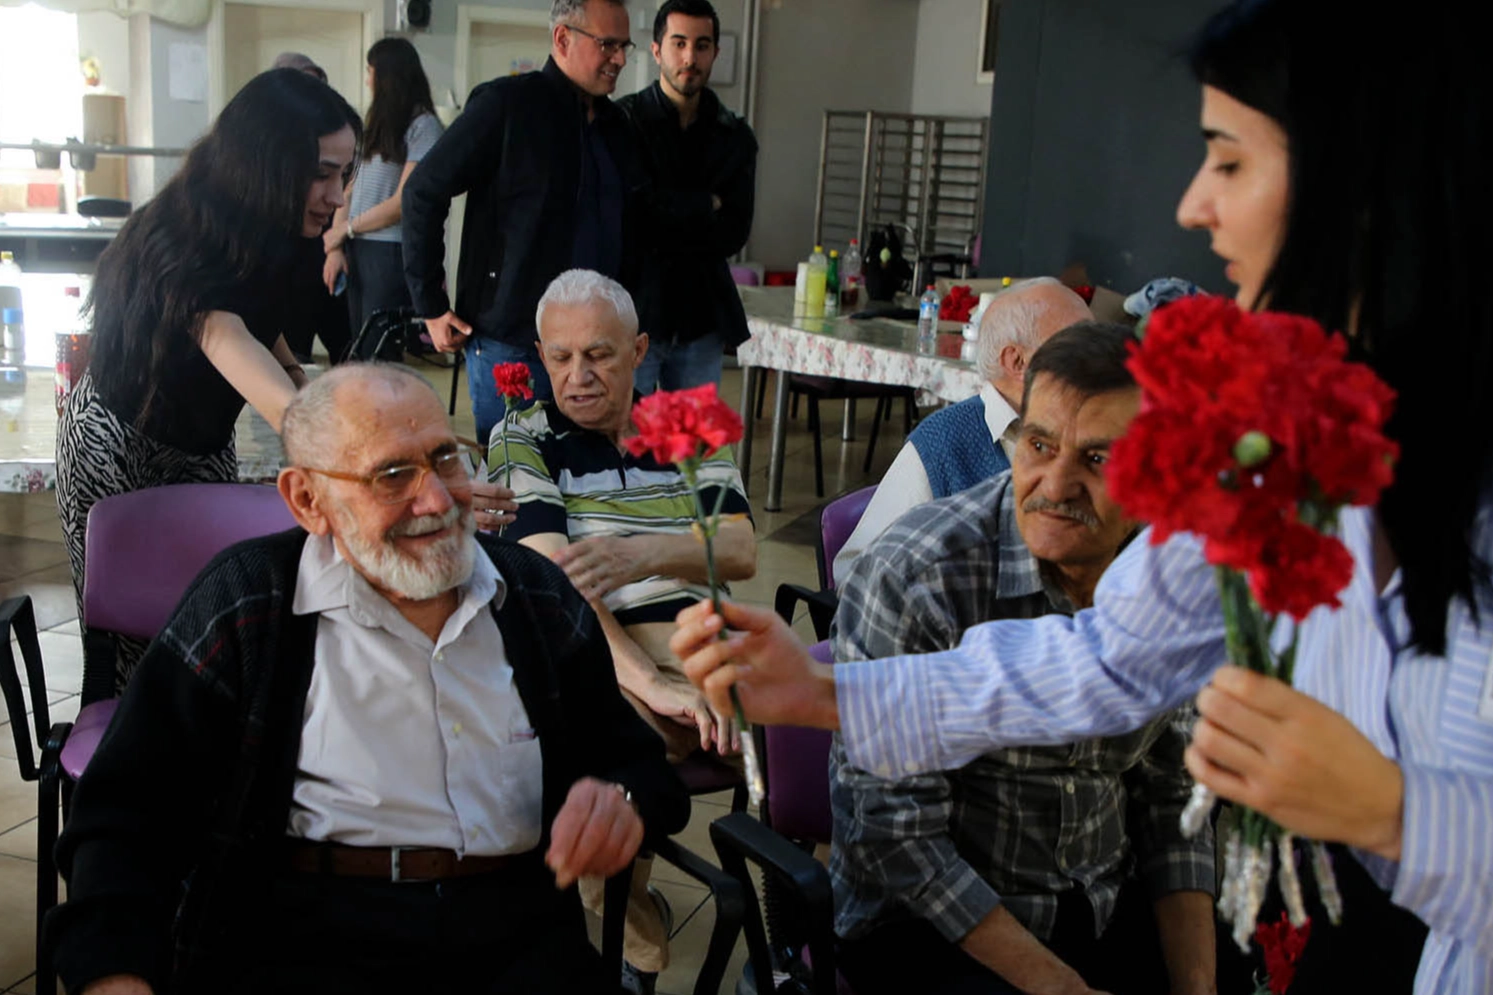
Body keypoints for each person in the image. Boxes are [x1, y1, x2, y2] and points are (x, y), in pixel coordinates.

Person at [671, 2, 1482, 991]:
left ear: (1360, 184)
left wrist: (1394, 815)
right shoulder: (1285, 446)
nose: (1192, 206)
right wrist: (824, 692)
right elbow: (1102, 659)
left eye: (1228, 161)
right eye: (1038, 443)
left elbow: (1158, 773)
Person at [44, 363, 690, 995]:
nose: (436, 500)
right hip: (297, 936)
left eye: (444, 458)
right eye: (392, 475)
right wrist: (113, 971)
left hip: (514, 934)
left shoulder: (533, 596)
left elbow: (636, 765)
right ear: (308, 500)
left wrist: (624, 802)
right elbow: (125, 815)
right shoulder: (248, 602)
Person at [831, 323, 1216, 995]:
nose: (1054, 485)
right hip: (932, 921)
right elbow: (895, 837)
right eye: (1038, 445)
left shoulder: (1170, 578)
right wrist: (1061, 987)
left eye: (1097, 459)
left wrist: (1198, 985)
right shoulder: (919, 576)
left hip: (1099, 899)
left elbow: (1173, 796)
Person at [486, 269, 754, 993]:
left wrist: (641, 553)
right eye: (560, 357)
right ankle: (634, 946)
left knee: (849, 738)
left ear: (638, 351)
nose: (577, 376)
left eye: (599, 355)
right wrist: (652, 684)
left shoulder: (688, 420)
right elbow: (556, 579)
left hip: (713, 646)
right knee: (601, 766)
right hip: (605, 655)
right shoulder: (521, 434)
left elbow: (739, 548)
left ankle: (797, 939)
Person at [55, 69, 358, 688]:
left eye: (344, 175)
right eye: (321, 174)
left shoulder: (276, 225)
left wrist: (296, 374)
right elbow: (233, 341)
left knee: (213, 620)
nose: (336, 195)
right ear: (267, 164)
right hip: (117, 443)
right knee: (140, 645)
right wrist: (370, 458)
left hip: (201, 440)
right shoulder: (184, 249)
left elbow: (260, 318)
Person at [402, 0, 645, 446]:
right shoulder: (507, 105)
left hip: (597, 347)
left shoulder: (618, 126)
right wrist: (431, 304)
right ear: (562, 38)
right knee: (515, 475)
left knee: (589, 472)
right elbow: (423, 190)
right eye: (608, 45)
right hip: (511, 339)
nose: (620, 59)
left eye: (624, 46)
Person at [832, 278, 1092, 585]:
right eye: (1078, 349)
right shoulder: (944, 443)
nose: (1099, 364)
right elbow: (857, 572)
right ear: (1017, 361)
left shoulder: (1093, 434)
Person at [617, 0, 757, 394]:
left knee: (695, 434)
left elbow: (734, 232)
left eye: (701, 45)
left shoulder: (734, 135)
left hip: (701, 317)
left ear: (715, 52)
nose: (690, 57)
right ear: (656, 50)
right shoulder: (624, 123)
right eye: (678, 43)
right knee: (628, 430)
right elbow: (630, 220)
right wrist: (705, 204)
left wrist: (665, 207)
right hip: (635, 313)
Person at [323, 38, 443, 347]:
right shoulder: (374, 126)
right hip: (357, 247)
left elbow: (404, 202)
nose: (367, 80)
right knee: (358, 342)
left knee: (378, 345)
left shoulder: (424, 126)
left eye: (370, 71)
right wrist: (336, 245)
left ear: (388, 76)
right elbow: (349, 189)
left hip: (390, 251)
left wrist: (347, 229)